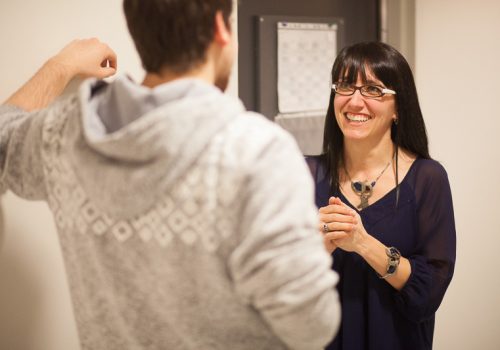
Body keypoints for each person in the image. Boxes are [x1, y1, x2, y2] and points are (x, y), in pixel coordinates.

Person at [0, 1, 341, 349]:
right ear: (220, 29)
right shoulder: (257, 154)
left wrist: (62, 65)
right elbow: (311, 328)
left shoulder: (62, 136)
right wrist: (306, 246)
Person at [306, 41, 456, 350]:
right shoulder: (304, 174)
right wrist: (315, 249)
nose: (355, 101)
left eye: (373, 90)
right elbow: (273, 290)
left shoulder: (428, 178)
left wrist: (362, 243)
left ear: (398, 108)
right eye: (346, 86)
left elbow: (427, 295)